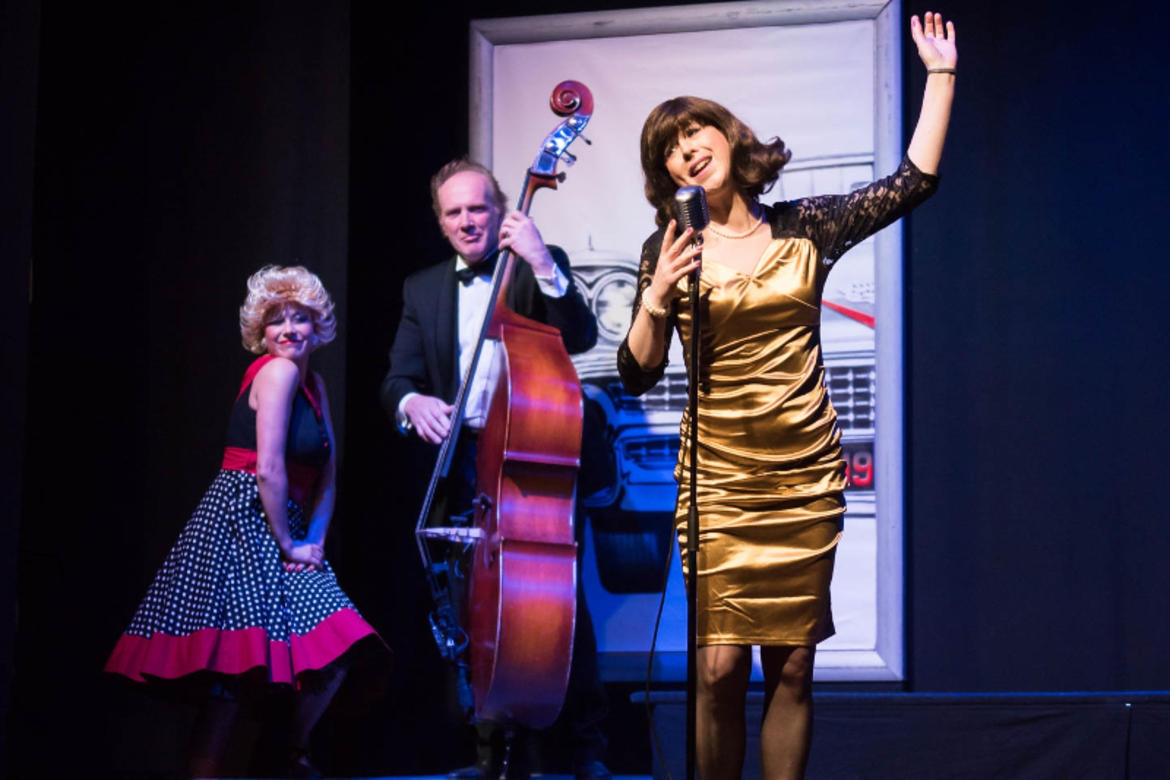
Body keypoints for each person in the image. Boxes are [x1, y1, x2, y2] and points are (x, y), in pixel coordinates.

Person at [616, 13, 956, 780]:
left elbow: (913, 183)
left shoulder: (806, 226)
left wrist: (941, 75)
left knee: (793, 666)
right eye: (669, 146)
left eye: (695, 131)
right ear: (667, 173)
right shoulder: (668, 249)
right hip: (719, 480)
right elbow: (637, 372)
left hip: (802, 475)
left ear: (729, 137)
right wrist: (657, 297)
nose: (686, 148)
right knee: (716, 669)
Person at [106, 265, 388, 779]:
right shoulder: (276, 372)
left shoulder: (315, 383)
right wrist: (288, 543)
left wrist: (313, 541)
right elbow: (268, 468)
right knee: (231, 678)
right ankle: (260, 761)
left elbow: (327, 475)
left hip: (286, 524)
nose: (288, 330)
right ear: (261, 331)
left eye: (299, 318)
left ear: (317, 326)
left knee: (331, 645)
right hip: (241, 522)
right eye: (276, 320)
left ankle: (288, 755)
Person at [380, 158, 608, 780]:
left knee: (556, 602)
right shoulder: (423, 288)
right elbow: (396, 379)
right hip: (464, 462)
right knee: (475, 605)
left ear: (501, 209)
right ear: (440, 222)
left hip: (532, 458)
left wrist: (540, 260)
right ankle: (489, 754)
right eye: (453, 212)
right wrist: (411, 402)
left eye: (477, 208)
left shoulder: (535, 264)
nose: (466, 221)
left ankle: (583, 750)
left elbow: (581, 336)